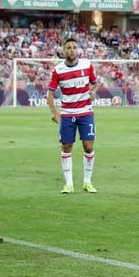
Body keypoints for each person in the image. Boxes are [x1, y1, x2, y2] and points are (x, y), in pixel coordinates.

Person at [47, 38, 100, 194]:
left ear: (78, 49)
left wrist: (93, 92)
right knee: (66, 147)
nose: (71, 50)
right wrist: (54, 112)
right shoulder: (58, 70)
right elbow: (50, 93)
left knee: (89, 147)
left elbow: (95, 83)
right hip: (67, 114)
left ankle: (87, 182)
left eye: (74, 47)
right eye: (68, 47)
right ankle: (69, 184)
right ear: (63, 51)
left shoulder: (87, 65)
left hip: (86, 112)